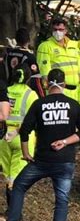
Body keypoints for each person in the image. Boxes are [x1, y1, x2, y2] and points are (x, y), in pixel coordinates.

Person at [0, 69, 80, 221]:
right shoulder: (73, 105)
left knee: (18, 186)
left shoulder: (40, 104)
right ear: (64, 85)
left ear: (47, 84)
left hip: (40, 161)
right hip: (65, 162)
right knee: (62, 201)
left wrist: (26, 153)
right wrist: (64, 142)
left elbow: (24, 130)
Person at [0, 63, 38, 210]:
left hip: (4, 137)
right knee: (17, 177)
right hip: (22, 138)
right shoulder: (31, 94)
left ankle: (10, 207)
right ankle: (14, 211)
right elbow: (32, 120)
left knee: (8, 174)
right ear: (28, 77)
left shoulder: (6, 90)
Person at [37, 18, 80, 105]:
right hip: (58, 89)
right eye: (55, 29)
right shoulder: (45, 46)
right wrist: (49, 87)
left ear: (66, 31)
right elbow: (44, 70)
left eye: (60, 29)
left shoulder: (74, 45)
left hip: (76, 89)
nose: (58, 32)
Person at [0, 28, 45, 97]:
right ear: (28, 40)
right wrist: (42, 97)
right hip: (24, 91)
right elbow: (36, 80)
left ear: (16, 39)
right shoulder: (29, 56)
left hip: (9, 89)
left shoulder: (8, 54)